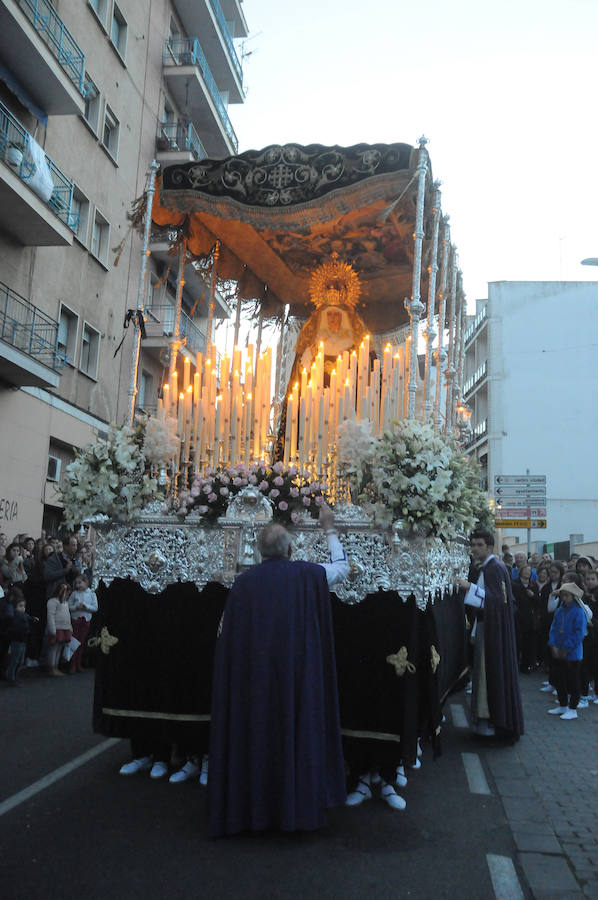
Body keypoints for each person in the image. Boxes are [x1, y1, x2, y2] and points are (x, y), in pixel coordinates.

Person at [208, 505, 350, 837]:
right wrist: (329, 528)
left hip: (254, 682)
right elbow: (342, 569)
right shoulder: (307, 574)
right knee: (294, 733)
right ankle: (294, 808)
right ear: (289, 548)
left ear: (259, 552)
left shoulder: (243, 584)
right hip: (296, 679)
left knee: (256, 735)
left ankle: (252, 808)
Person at [456, 530, 524, 740]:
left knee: (488, 674)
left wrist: (469, 588)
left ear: (489, 547)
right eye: (473, 544)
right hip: (488, 626)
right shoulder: (490, 567)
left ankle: (492, 723)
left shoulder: (495, 568)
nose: (475, 548)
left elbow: (498, 601)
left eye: (479, 545)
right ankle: (486, 722)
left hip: (493, 630)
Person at [547, 583, 588, 719]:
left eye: (567, 595)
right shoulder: (560, 611)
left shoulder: (579, 612)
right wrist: (553, 644)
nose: (564, 598)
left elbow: (579, 634)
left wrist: (566, 648)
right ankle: (563, 704)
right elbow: (553, 628)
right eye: (562, 595)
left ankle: (572, 708)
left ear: (573, 597)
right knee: (559, 679)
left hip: (573, 654)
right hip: (558, 651)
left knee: (573, 681)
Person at [5, 589, 38, 686]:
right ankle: (12, 677)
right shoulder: (15, 616)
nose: (23, 608)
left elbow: (28, 618)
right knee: (15, 660)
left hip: (23, 639)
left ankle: (14, 676)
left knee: (20, 660)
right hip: (17, 640)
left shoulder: (23, 615)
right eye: (20, 606)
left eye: (24, 606)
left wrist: (32, 619)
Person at [512, 564, 539, 673]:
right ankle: (514, 664)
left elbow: (538, 602)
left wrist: (533, 595)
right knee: (517, 641)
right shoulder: (514, 584)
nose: (527, 573)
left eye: (529, 571)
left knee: (528, 642)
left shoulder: (533, 585)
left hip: (529, 618)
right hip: (517, 616)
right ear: (520, 572)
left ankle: (526, 665)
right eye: (525, 571)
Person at [68, 574, 97, 674]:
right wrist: (76, 607)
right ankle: (72, 664)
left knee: (81, 642)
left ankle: (78, 663)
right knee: (74, 641)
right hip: (76, 619)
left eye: (80, 582)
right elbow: (69, 606)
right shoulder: (74, 594)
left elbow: (95, 607)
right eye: (76, 583)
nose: (78, 585)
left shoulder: (91, 593)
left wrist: (86, 607)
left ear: (86, 582)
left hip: (86, 620)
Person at [46, 584, 73, 676]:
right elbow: (50, 616)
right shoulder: (53, 602)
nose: (67, 596)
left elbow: (68, 616)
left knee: (59, 648)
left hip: (64, 628)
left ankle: (56, 666)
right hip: (56, 628)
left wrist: (70, 627)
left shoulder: (65, 602)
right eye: (67, 594)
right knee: (54, 648)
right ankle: (51, 667)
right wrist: (52, 629)